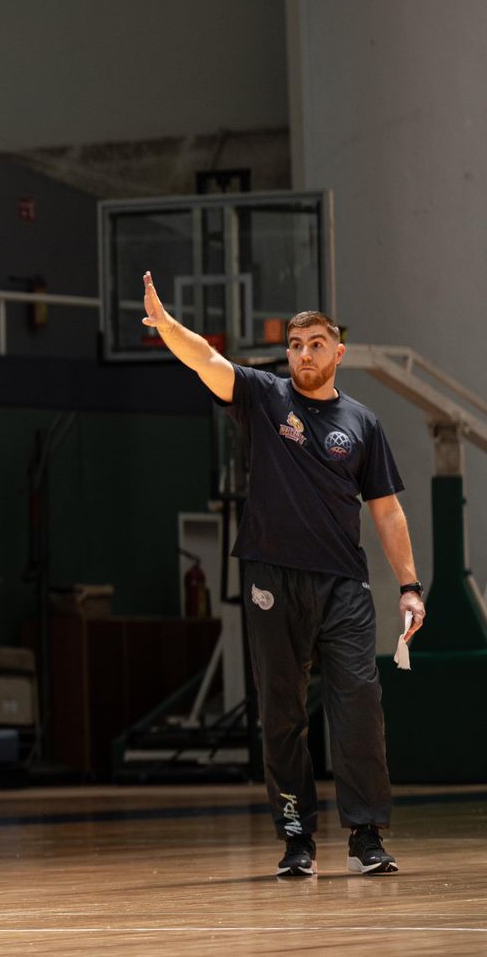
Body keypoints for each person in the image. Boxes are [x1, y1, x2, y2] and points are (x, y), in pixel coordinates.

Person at [142, 272, 425, 877]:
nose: (304, 354)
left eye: (316, 344)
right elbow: (207, 359)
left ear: (338, 352)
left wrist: (409, 586)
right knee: (281, 711)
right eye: (296, 345)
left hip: (342, 583)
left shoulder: (364, 423)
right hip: (271, 576)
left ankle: (367, 835)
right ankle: (296, 838)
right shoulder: (263, 397)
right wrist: (167, 327)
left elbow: (386, 510)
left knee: (359, 702)